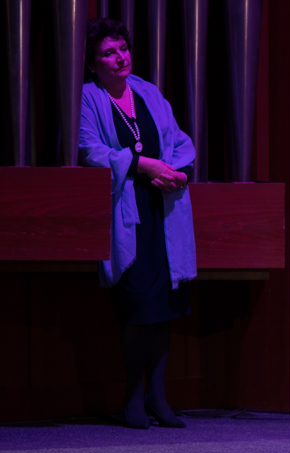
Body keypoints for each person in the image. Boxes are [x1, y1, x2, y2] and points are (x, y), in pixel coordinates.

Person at [79, 18, 196, 429]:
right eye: (109, 53)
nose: (120, 58)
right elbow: (89, 150)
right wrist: (143, 164)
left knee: (163, 309)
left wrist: (177, 171)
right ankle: (132, 395)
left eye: (123, 49)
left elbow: (178, 140)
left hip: (162, 208)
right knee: (137, 308)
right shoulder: (88, 98)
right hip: (126, 212)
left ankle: (158, 397)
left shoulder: (147, 91)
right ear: (92, 64)